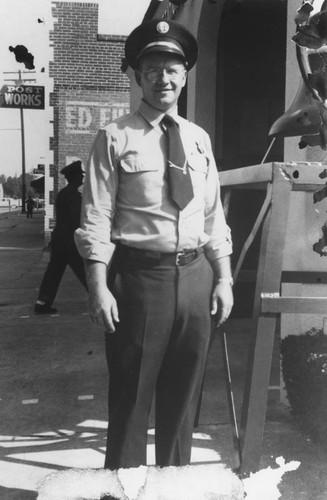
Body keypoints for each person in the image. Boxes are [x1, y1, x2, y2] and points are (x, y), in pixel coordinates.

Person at [75, 19, 233, 470]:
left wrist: (222, 278)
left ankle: (174, 489)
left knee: (183, 403)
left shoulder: (198, 139)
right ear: (137, 76)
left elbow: (212, 215)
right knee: (131, 399)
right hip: (140, 279)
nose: (163, 79)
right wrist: (97, 285)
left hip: (196, 277)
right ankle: (121, 491)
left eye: (172, 70)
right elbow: (97, 216)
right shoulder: (114, 137)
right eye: (152, 70)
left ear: (184, 77)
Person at [35, 160, 87, 314]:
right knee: (85, 271)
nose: (82, 178)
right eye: (80, 175)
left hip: (61, 240)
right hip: (69, 241)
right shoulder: (72, 196)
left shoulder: (66, 194)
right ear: (74, 177)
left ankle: (42, 303)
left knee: (54, 272)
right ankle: (101, 298)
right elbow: (75, 218)